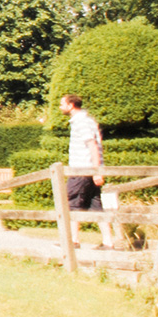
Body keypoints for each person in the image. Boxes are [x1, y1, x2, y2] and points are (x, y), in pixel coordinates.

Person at [59, 93, 117, 249]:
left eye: (62, 104)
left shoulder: (81, 122)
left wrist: (97, 171)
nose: (60, 107)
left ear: (71, 105)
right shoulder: (87, 120)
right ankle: (108, 242)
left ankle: (73, 241)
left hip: (82, 169)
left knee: (70, 202)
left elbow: (92, 146)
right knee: (96, 205)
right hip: (88, 169)